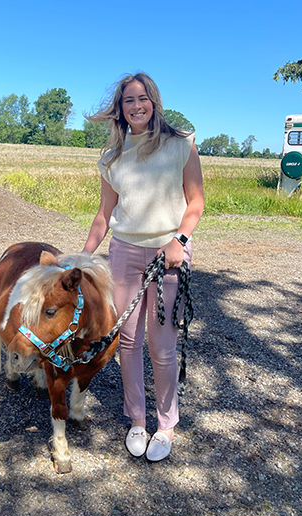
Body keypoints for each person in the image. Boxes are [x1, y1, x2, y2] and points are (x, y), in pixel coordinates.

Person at [83, 72, 204, 462]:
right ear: (120, 109)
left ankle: (166, 424)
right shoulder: (111, 158)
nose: (136, 106)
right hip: (124, 254)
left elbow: (196, 203)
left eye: (142, 98)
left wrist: (178, 241)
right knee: (129, 342)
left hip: (168, 254)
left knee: (162, 346)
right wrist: (84, 255)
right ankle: (137, 419)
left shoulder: (181, 144)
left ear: (154, 101)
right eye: (128, 101)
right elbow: (105, 215)